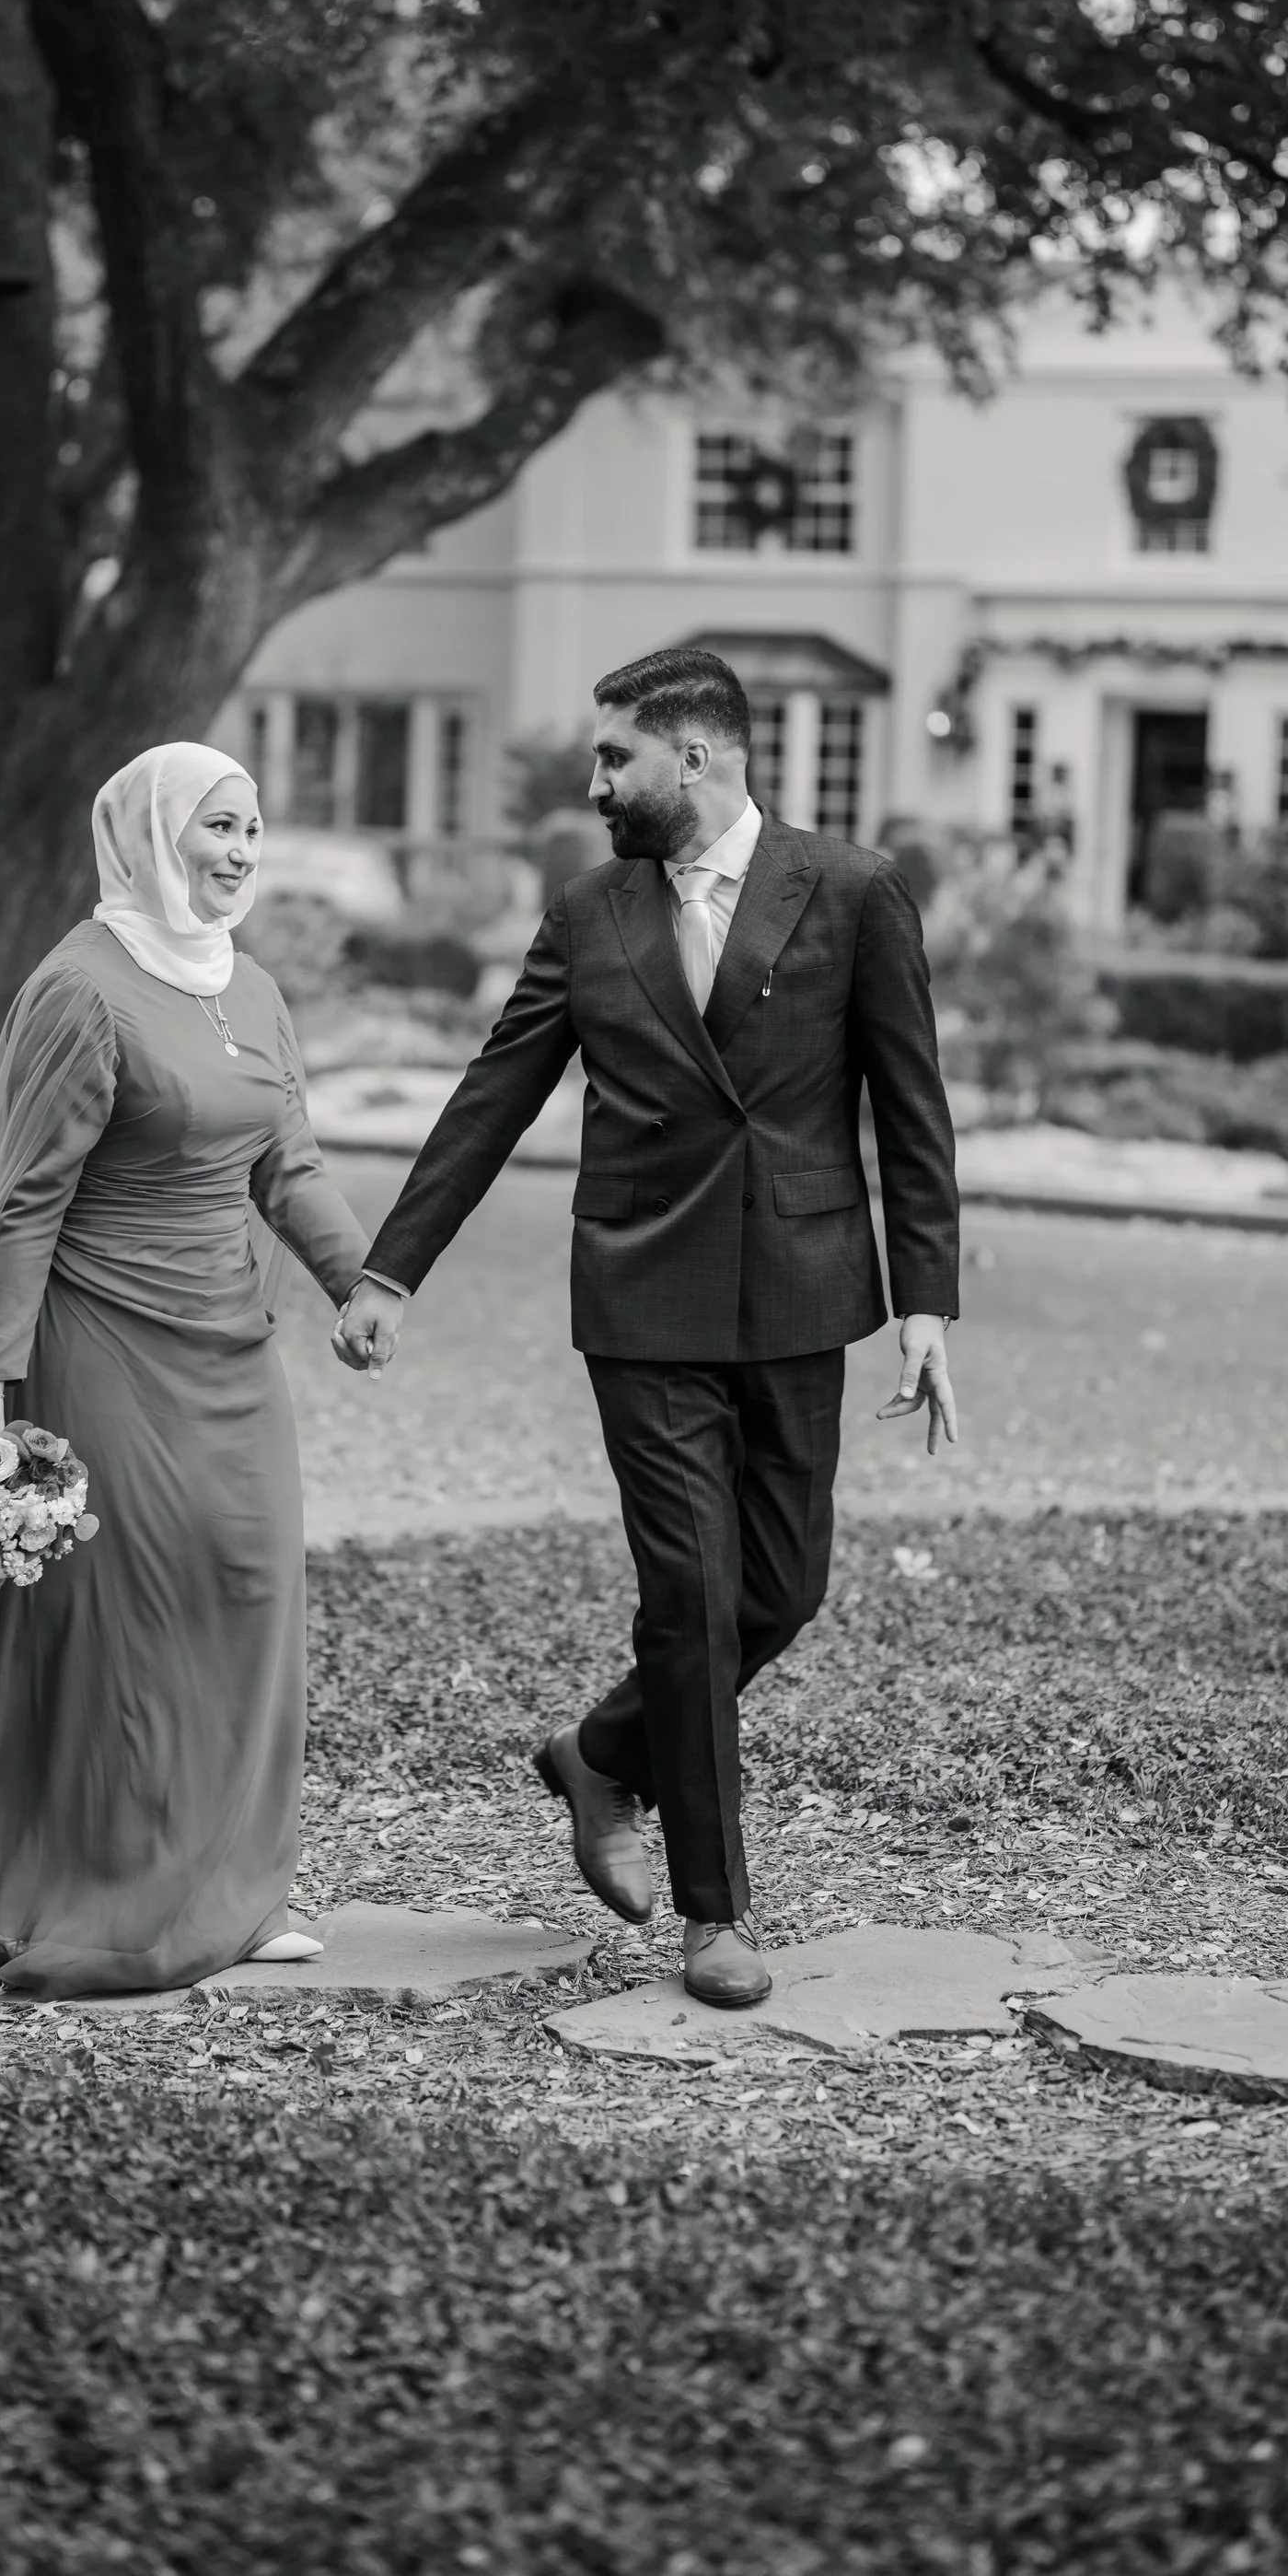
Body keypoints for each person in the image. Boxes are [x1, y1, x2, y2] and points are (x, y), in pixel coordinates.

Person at [333, 646, 959, 2010]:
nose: (596, 781)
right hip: (642, 1292)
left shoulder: (851, 891)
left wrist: (925, 1303)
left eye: (615, 756)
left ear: (697, 756)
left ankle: (603, 1752)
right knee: (689, 1593)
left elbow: (911, 1106)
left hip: (800, 1289)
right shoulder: (589, 911)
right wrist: (391, 1272)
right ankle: (714, 1914)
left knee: (781, 1588)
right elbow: (496, 1091)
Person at [0, 743, 369, 1995]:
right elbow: (22, 1206)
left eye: (253, 828)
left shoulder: (254, 988)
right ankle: (4, 1883)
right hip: (101, 1346)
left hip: (231, 1354)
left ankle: (229, 1884)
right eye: (218, 826)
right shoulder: (82, 990)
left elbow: (290, 1165)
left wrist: (367, 1282)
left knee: (247, 1593)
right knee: (110, 1625)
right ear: (152, 834)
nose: (241, 851)